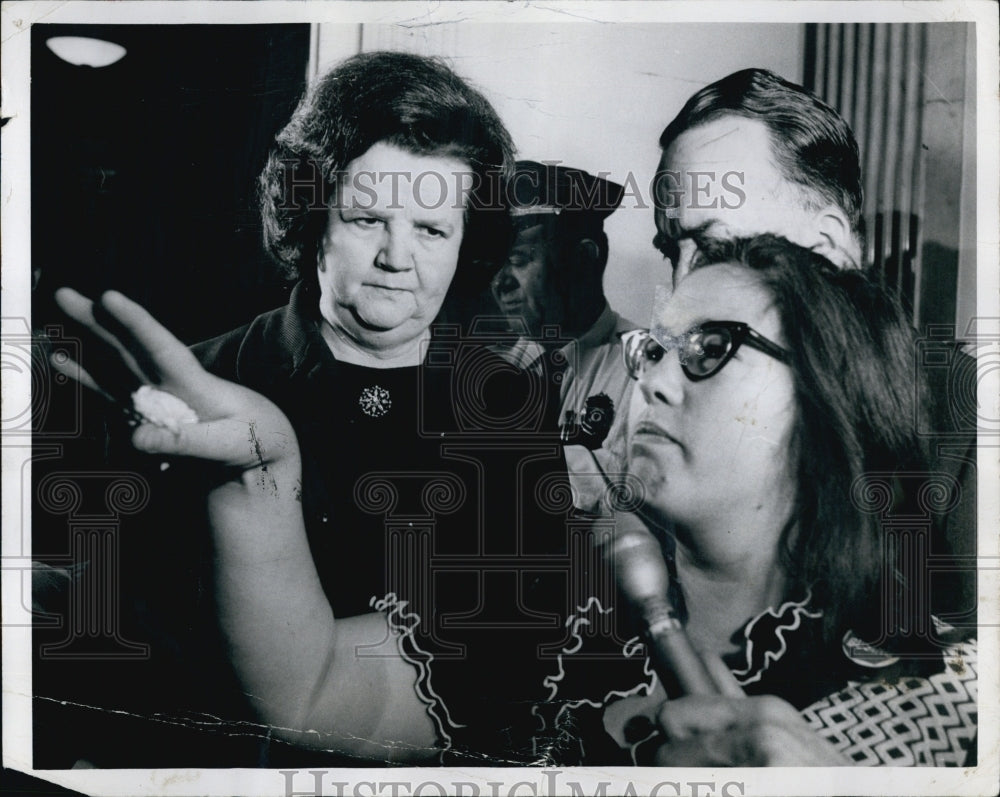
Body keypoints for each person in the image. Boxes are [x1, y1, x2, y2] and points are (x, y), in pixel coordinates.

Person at [53, 50, 582, 765]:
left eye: (432, 229)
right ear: (312, 217)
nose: (400, 256)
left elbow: (501, 660)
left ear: (466, 243)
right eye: (368, 218)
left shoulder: (510, 403)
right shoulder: (203, 381)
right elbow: (113, 634)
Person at [534, 235, 978, 766]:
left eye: (711, 349)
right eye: (652, 351)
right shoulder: (529, 630)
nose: (654, 382)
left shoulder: (954, 698)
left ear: (828, 402)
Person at [650, 67, 977, 624]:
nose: (683, 288)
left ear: (827, 250)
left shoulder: (965, 418)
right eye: (670, 251)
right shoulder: (681, 405)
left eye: (714, 245)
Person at [489, 160, 639, 512]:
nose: (500, 282)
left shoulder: (644, 374)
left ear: (583, 260)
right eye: (497, 264)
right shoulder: (496, 372)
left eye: (520, 259)